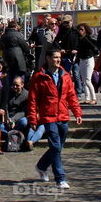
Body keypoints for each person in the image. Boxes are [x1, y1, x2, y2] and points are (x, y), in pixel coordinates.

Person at [27, 49, 83, 189]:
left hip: (63, 114)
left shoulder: (65, 75)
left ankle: (41, 166)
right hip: (48, 116)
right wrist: (33, 119)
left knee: (57, 147)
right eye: (55, 57)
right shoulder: (39, 77)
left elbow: (71, 95)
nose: (58, 60)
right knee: (56, 146)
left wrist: (77, 112)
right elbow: (32, 99)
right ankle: (60, 178)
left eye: (59, 57)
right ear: (48, 58)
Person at [7, 76, 43, 151]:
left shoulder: (27, 95)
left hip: (40, 118)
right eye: (13, 85)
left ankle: (30, 142)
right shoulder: (10, 93)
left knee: (40, 128)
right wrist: (9, 119)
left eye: (17, 85)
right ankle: (24, 139)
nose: (15, 87)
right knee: (31, 129)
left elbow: (24, 112)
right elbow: (6, 108)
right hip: (30, 118)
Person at [55, 15, 81, 95]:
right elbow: (56, 42)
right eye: (65, 23)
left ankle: (78, 92)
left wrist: (77, 50)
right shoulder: (62, 30)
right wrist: (61, 49)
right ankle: (66, 91)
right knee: (65, 74)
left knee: (76, 74)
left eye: (67, 22)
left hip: (75, 56)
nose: (66, 24)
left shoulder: (76, 31)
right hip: (65, 55)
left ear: (71, 21)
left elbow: (81, 43)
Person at [75, 23, 99, 104]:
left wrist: (95, 52)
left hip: (89, 59)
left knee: (88, 80)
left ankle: (94, 98)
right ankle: (87, 97)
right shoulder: (79, 39)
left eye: (81, 29)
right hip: (82, 60)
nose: (80, 31)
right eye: (79, 29)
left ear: (85, 31)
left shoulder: (88, 39)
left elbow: (95, 47)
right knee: (83, 80)